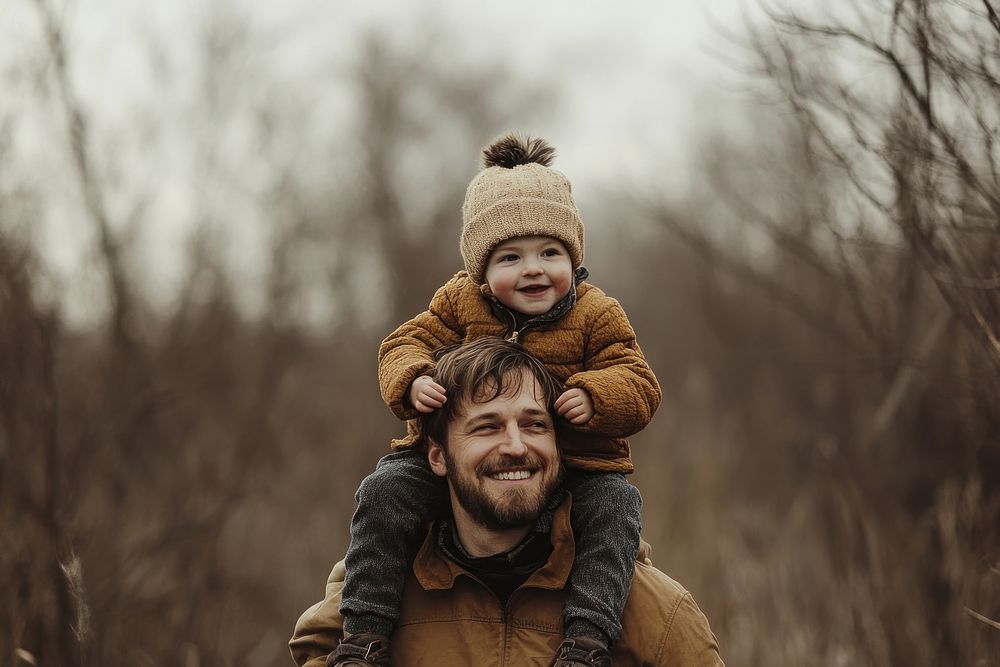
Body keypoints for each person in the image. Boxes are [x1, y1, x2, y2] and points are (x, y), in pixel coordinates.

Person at [336, 133, 662, 665]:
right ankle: (363, 636)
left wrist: (594, 394)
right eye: (511, 256)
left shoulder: (597, 314)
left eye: (550, 252)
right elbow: (403, 342)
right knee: (385, 491)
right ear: (480, 271)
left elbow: (641, 382)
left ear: (574, 259)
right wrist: (413, 379)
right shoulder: (458, 301)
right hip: (466, 466)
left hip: (578, 464)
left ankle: (586, 641)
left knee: (618, 508)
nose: (533, 269)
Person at [290, 338, 722, 666]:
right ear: (437, 456)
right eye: (487, 427)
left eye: (534, 424)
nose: (516, 446)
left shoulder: (657, 612)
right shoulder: (373, 589)